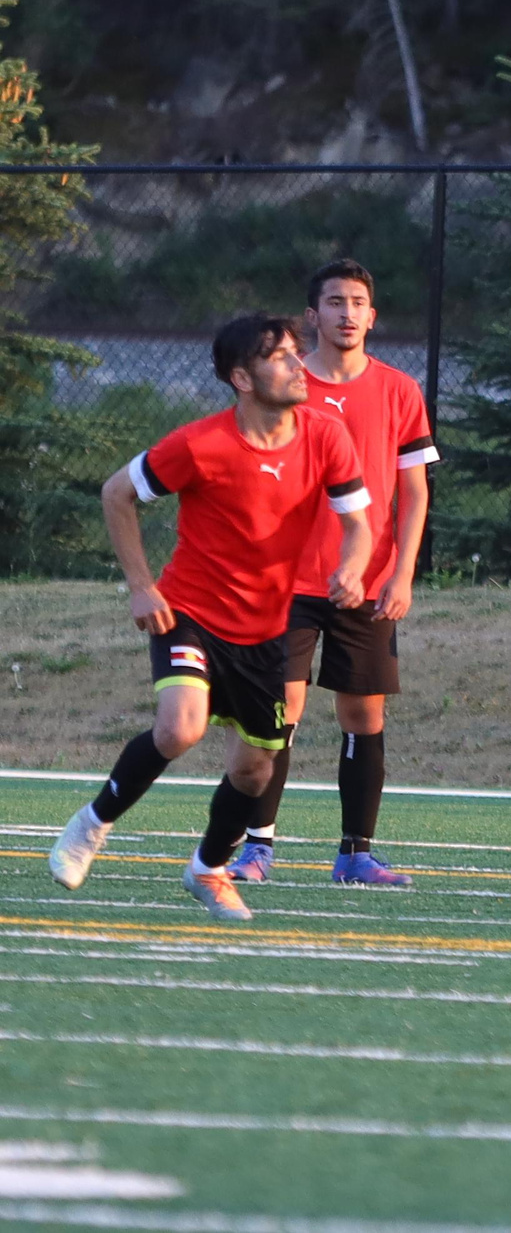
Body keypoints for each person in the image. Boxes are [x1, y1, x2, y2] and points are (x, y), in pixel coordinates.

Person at [49, 314, 372, 922]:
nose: (299, 364)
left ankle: (208, 868)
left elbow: (358, 524)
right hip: (190, 613)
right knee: (179, 729)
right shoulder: (200, 444)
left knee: (254, 770)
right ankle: (92, 824)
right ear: (242, 378)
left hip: (268, 631)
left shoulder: (327, 437)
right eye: (280, 356)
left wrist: (353, 568)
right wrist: (142, 588)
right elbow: (116, 493)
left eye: (296, 353)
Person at [231, 259, 438, 888]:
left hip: (368, 583)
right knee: (279, 710)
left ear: (372, 317)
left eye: (358, 302)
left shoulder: (399, 390)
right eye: (334, 302)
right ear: (312, 316)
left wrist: (400, 574)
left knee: (362, 715)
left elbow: (414, 493)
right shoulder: (284, 386)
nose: (347, 313)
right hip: (286, 582)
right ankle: (256, 847)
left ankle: (355, 854)